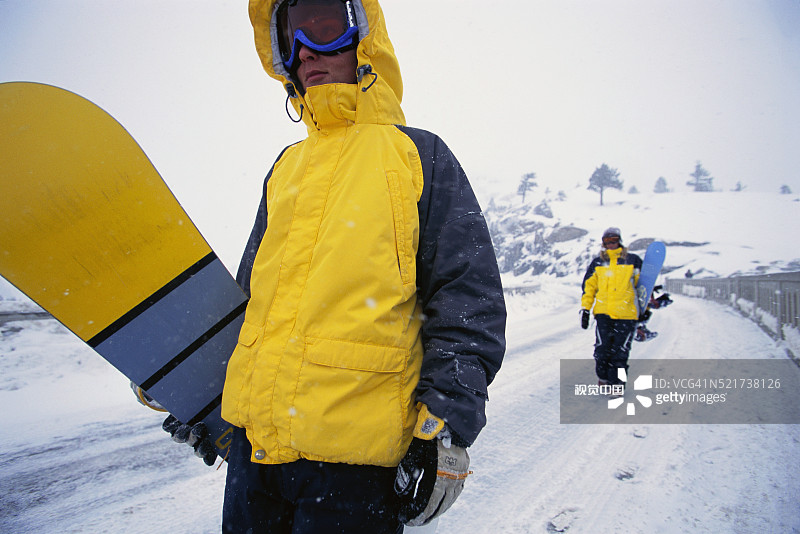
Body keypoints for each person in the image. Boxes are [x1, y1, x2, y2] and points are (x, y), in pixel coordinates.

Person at [161, 1, 507, 532]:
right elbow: (251, 303)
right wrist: (202, 393)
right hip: (255, 459)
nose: (305, 53)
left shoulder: (418, 156)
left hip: (356, 469)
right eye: (290, 39)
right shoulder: (285, 169)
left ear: (363, 38)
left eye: (322, 28)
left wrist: (445, 424)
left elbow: (467, 301)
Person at [579, 227, 641, 388]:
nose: (611, 244)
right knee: (601, 351)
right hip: (603, 313)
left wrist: (644, 312)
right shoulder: (597, 263)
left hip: (626, 314)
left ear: (619, 241)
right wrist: (585, 309)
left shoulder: (632, 261)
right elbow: (589, 288)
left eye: (613, 240)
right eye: (607, 241)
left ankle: (617, 385)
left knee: (620, 353)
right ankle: (603, 377)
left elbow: (642, 287)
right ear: (603, 243)